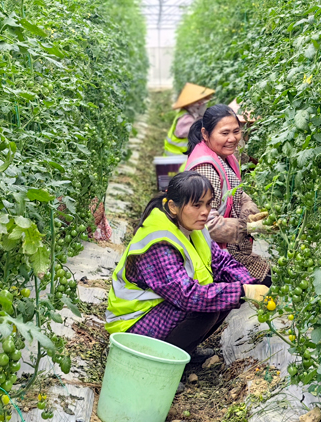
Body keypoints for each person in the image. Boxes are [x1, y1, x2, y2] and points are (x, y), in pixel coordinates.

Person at [105, 171, 270, 360]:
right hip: (131, 325)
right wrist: (243, 291)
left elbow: (223, 262)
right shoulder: (159, 242)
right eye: (197, 205)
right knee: (208, 304)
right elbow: (187, 295)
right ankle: (156, 360)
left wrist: (252, 285)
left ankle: (183, 352)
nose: (205, 211)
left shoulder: (193, 228)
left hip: (158, 309)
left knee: (224, 293)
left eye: (208, 204)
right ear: (173, 207)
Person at [184, 104, 271, 284]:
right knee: (262, 283)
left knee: (267, 278)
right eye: (224, 133)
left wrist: (250, 211)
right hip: (211, 254)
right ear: (205, 134)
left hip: (223, 248)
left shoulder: (226, 157)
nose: (233, 138)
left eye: (236, 131)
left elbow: (236, 192)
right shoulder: (205, 169)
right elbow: (206, 225)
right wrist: (248, 227)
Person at [164, 83, 215, 156]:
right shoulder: (187, 121)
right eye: (203, 104)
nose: (204, 106)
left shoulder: (186, 114)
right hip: (178, 161)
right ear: (196, 106)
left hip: (178, 159)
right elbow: (202, 134)